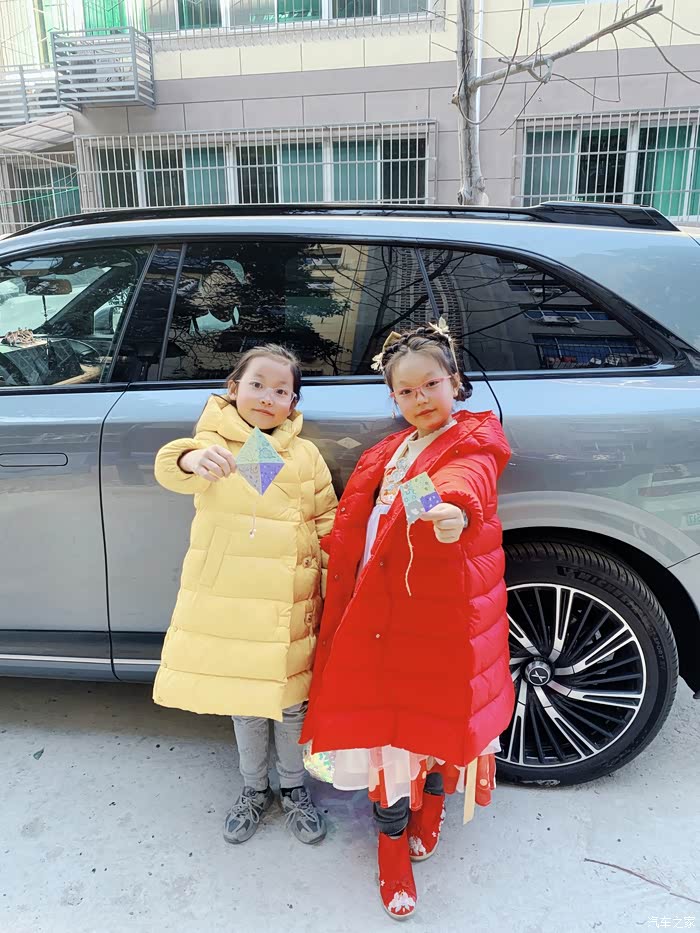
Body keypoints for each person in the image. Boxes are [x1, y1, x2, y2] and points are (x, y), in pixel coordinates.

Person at [301, 321, 514, 919]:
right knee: (387, 733)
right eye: (406, 391)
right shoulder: (388, 451)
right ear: (393, 397)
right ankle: (391, 846)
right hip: (380, 609)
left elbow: (466, 482)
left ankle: (434, 806)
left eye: (431, 385)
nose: (421, 399)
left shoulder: (474, 440)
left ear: (455, 383)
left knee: (434, 719)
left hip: (436, 612)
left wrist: (454, 512)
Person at [153, 344, 337, 846]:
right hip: (234, 602)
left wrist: (331, 577)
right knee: (246, 704)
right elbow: (171, 465)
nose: (267, 397)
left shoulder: (305, 454)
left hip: (292, 602)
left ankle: (294, 789)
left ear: (293, 402)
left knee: (293, 703)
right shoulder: (213, 443)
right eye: (257, 385)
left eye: (281, 390)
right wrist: (191, 458)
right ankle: (254, 788)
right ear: (233, 388)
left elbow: (327, 516)